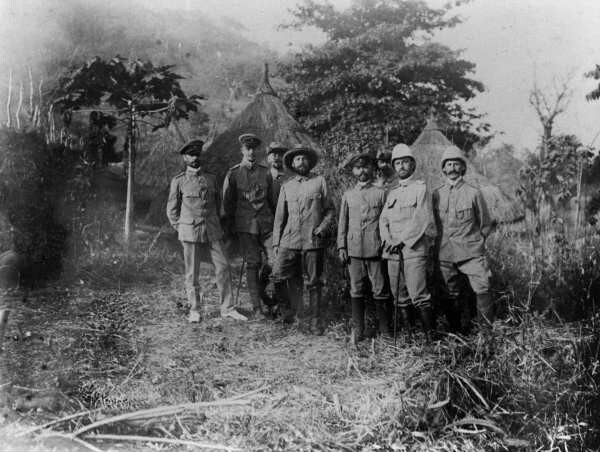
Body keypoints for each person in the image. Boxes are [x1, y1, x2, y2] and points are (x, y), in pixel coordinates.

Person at [166, 139, 246, 323]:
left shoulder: (211, 178)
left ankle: (227, 308)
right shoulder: (178, 181)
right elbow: (171, 210)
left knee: (224, 266)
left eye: (197, 154)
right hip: (190, 232)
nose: (195, 158)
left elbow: (218, 205)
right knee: (192, 272)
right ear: (185, 158)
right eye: (191, 155)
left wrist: (217, 222)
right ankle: (195, 309)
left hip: (212, 229)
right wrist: (182, 227)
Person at [271, 144, 335, 334]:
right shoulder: (287, 186)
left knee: (314, 282)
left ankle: (315, 320)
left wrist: (322, 228)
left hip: (312, 241)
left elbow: (330, 210)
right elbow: (279, 218)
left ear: (310, 162)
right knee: (278, 275)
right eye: (297, 159)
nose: (301, 162)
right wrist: (276, 242)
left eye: (304, 158)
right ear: (292, 163)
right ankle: (290, 311)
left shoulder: (319, 181)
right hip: (289, 240)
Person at [432, 147, 494, 331]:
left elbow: (485, 224)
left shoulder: (473, 192)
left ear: (462, 168)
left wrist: (475, 244)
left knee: (482, 288)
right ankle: (456, 333)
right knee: (451, 293)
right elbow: (432, 224)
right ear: (443, 169)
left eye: (456, 164)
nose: (452, 168)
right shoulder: (437, 194)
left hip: (471, 252)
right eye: (448, 164)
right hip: (445, 253)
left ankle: (486, 333)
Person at [379, 144, 436, 339]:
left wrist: (401, 240)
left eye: (405, 162)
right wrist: (388, 239)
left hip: (413, 249)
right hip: (393, 251)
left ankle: (430, 339)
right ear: (394, 167)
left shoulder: (421, 189)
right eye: (398, 163)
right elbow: (383, 219)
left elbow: (421, 218)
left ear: (413, 165)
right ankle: (409, 337)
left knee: (418, 295)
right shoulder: (392, 192)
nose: (401, 166)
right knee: (399, 296)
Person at [337, 153, 389, 344]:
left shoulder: (381, 193)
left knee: (380, 289)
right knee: (356, 290)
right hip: (354, 249)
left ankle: (385, 330)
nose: (362, 171)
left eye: (366, 167)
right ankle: (358, 330)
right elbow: (343, 223)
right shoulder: (348, 196)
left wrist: (386, 244)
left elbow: (386, 221)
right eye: (358, 168)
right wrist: (341, 246)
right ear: (353, 171)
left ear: (372, 169)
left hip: (375, 248)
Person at [222, 133, 275, 320]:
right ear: (242, 150)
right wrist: (231, 227)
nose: (251, 152)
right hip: (245, 225)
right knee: (253, 264)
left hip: (267, 225)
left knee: (275, 262)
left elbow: (273, 201)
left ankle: (261, 291)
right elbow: (227, 203)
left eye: (254, 148)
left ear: (258, 150)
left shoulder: (266, 172)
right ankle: (257, 307)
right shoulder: (234, 173)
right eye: (248, 148)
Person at [267, 141, 289, 206]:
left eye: (280, 155)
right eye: (274, 155)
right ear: (268, 158)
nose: (277, 157)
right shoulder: (263, 177)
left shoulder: (291, 178)